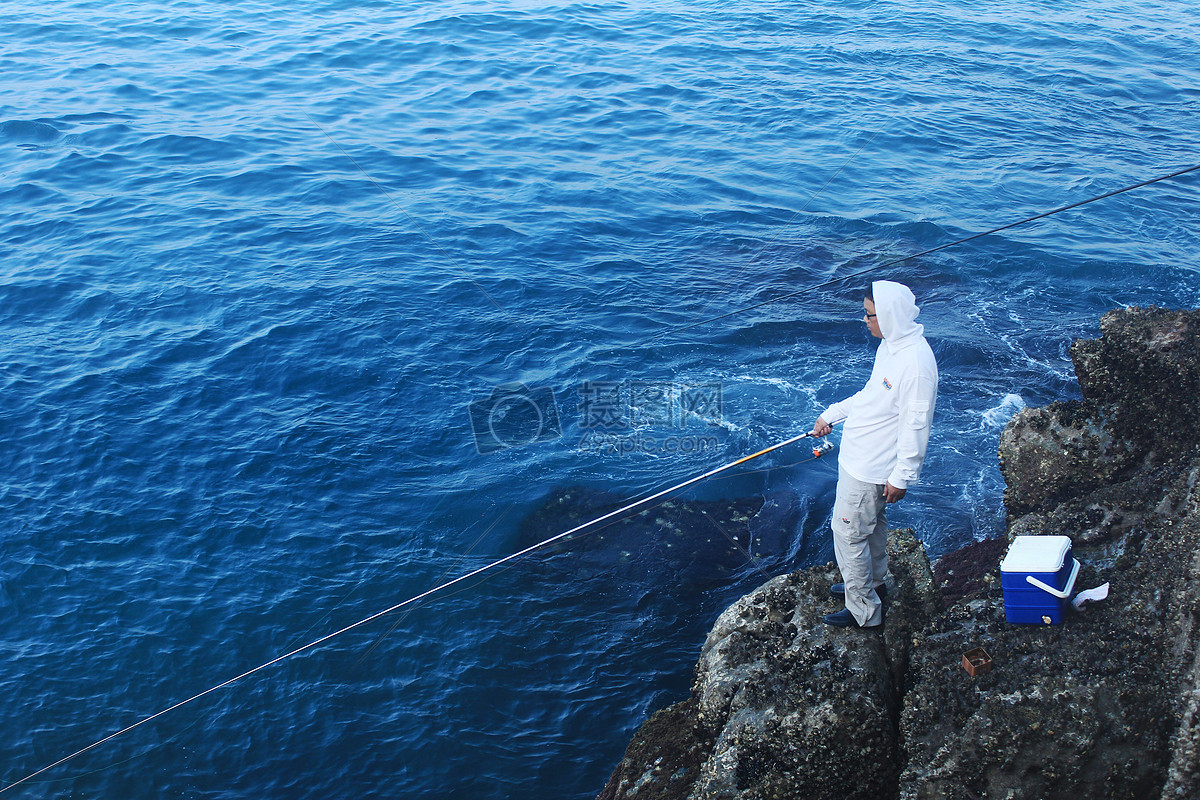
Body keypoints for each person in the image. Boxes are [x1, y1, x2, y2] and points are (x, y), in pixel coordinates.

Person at [812, 280, 938, 628]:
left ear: (889, 316)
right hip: (858, 461)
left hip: (872, 469)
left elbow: (917, 425)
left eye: (869, 315)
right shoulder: (891, 346)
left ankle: (864, 611)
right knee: (873, 527)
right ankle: (874, 584)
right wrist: (832, 414)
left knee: (848, 533)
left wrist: (902, 477)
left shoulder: (915, 364)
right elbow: (871, 395)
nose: (864, 320)